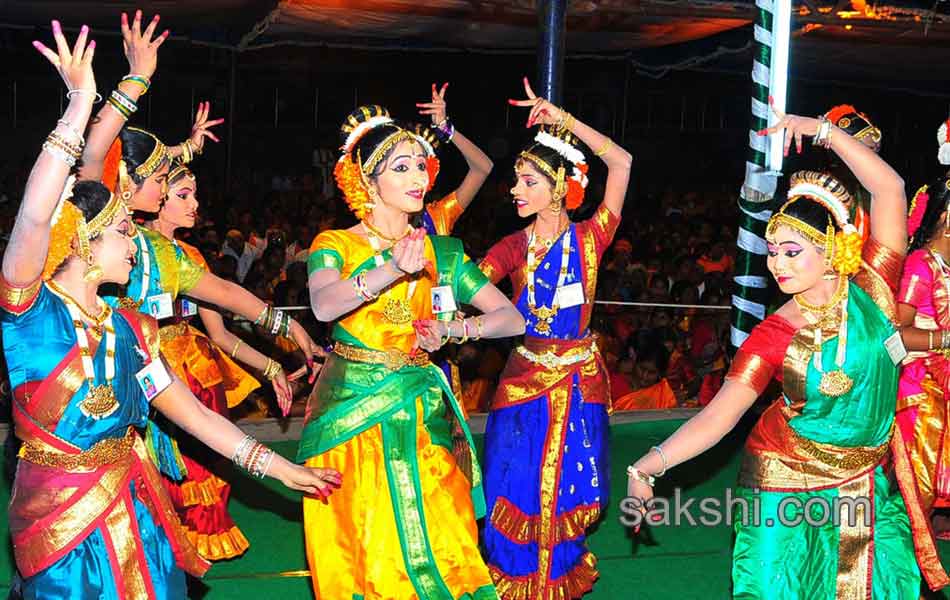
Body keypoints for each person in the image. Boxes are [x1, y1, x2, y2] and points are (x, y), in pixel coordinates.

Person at [5, 23, 339, 598]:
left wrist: (277, 469)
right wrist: (81, 102)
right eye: (119, 232)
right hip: (62, 523)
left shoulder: (133, 329)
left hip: (136, 504)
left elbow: (195, 417)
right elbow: (37, 216)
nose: (133, 242)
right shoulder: (29, 312)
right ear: (83, 242)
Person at [626, 103, 950, 598]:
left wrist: (823, 132)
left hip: (863, 476)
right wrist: (648, 465)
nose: (777, 264)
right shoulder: (774, 334)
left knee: (884, 583)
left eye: (792, 251)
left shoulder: (875, 287)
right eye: (772, 251)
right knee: (779, 585)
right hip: (783, 477)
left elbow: (891, 190)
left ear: (832, 250)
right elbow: (721, 415)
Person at [301, 104, 525, 599]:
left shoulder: (441, 251)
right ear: (368, 179)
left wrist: (456, 329)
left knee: (448, 535)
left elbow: (511, 317)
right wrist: (389, 270)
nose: (418, 175)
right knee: (364, 548)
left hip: (422, 410)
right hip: (352, 419)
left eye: (421, 164)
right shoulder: (334, 243)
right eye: (401, 166)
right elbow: (323, 304)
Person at [479, 78, 632, 599]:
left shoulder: (592, 237)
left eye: (526, 181)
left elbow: (623, 163)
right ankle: (515, 575)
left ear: (559, 186)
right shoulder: (512, 245)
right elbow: (472, 283)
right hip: (525, 379)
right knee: (510, 476)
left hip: (579, 378)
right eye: (516, 180)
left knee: (568, 483)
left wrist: (564, 122)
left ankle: (555, 578)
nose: (515, 190)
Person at [145, 159, 300, 560]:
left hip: (198, 378)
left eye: (194, 194)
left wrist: (271, 367)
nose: (195, 203)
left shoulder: (192, 256)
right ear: (156, 197)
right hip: (148, 374)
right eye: (182, 195)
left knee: (202, 481)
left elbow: (221, 333)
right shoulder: (128, 249)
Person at [896, 174, 950, 539]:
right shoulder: (922, 264)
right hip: (921, 386)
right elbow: (895, 333)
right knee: (919, 487)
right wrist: (945, 337)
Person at [414, 82, 494, 236]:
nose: (415, 176)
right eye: (401, 168)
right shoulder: (356, 241)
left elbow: (483, 168)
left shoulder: (435, 218)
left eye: (420, 166)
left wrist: (446, 129)